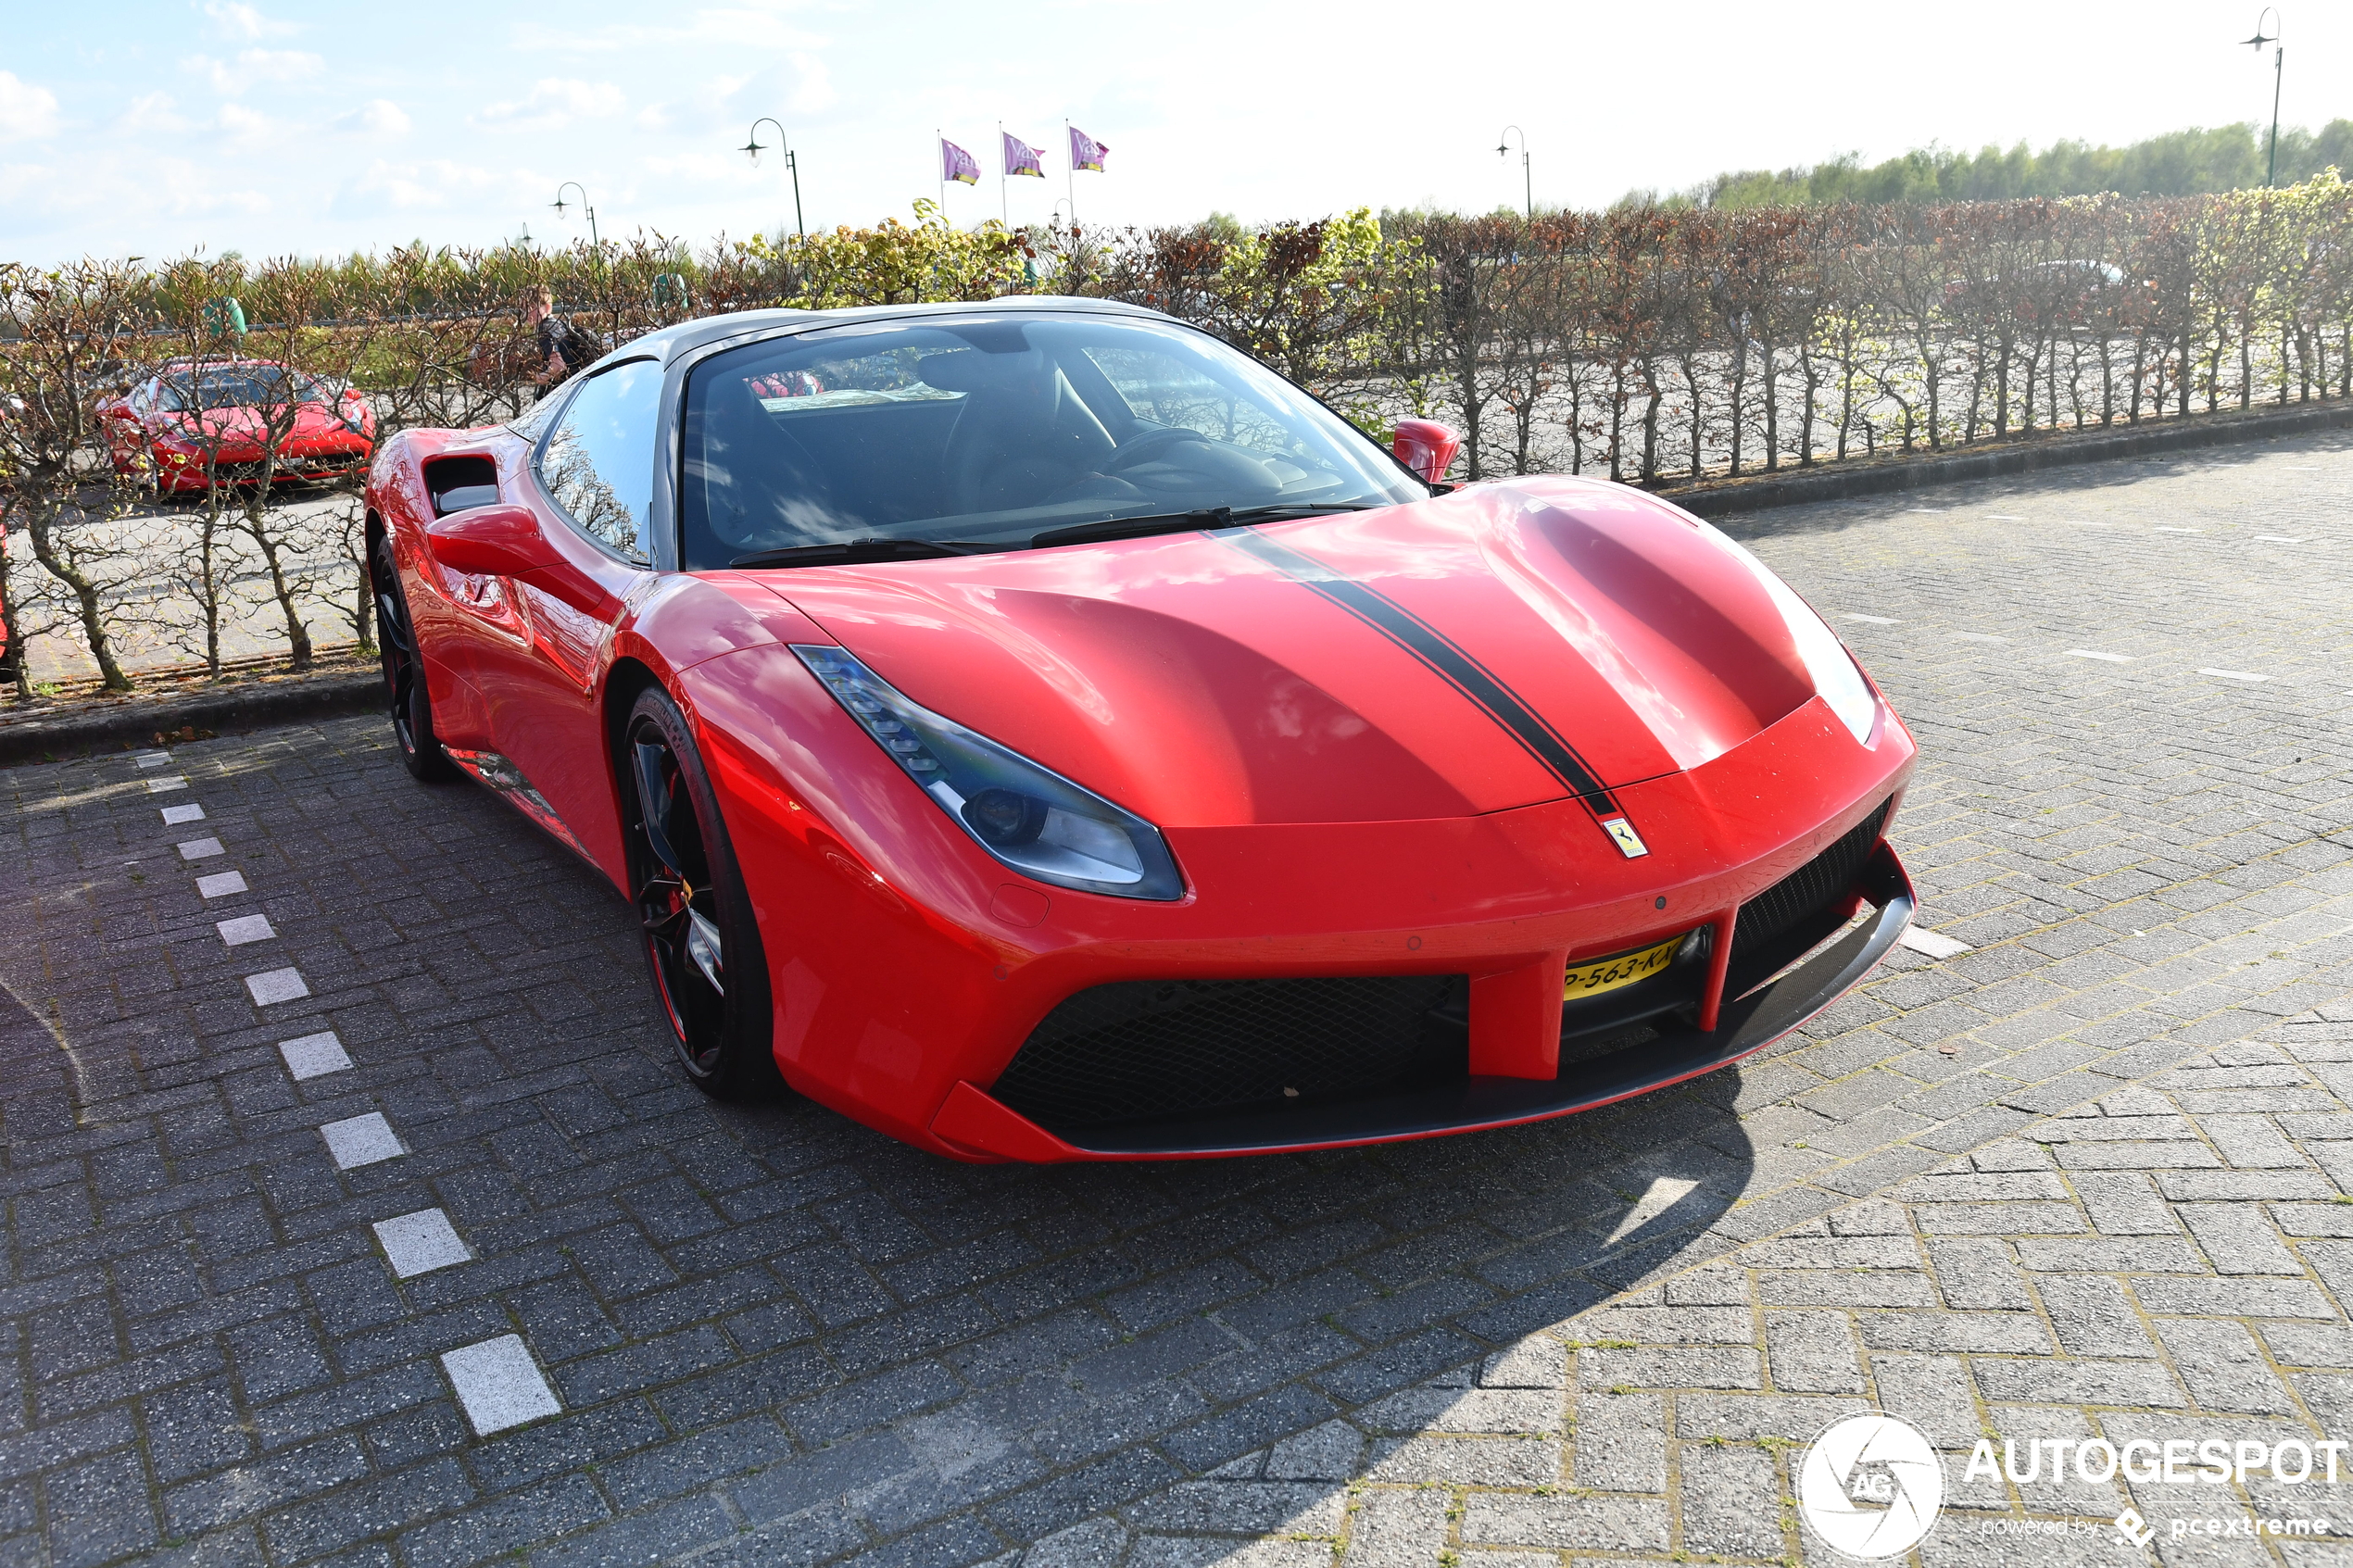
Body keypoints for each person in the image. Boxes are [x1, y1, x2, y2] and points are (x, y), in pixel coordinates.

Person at [522, 287, 592, 396]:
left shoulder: (544, 330)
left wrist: (538, 378)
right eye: (524, 308)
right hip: (581, 383)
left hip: (568, 389)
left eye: (532, 307)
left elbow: (558, 366)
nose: (527, 312)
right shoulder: (558, 324)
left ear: (547, 307)